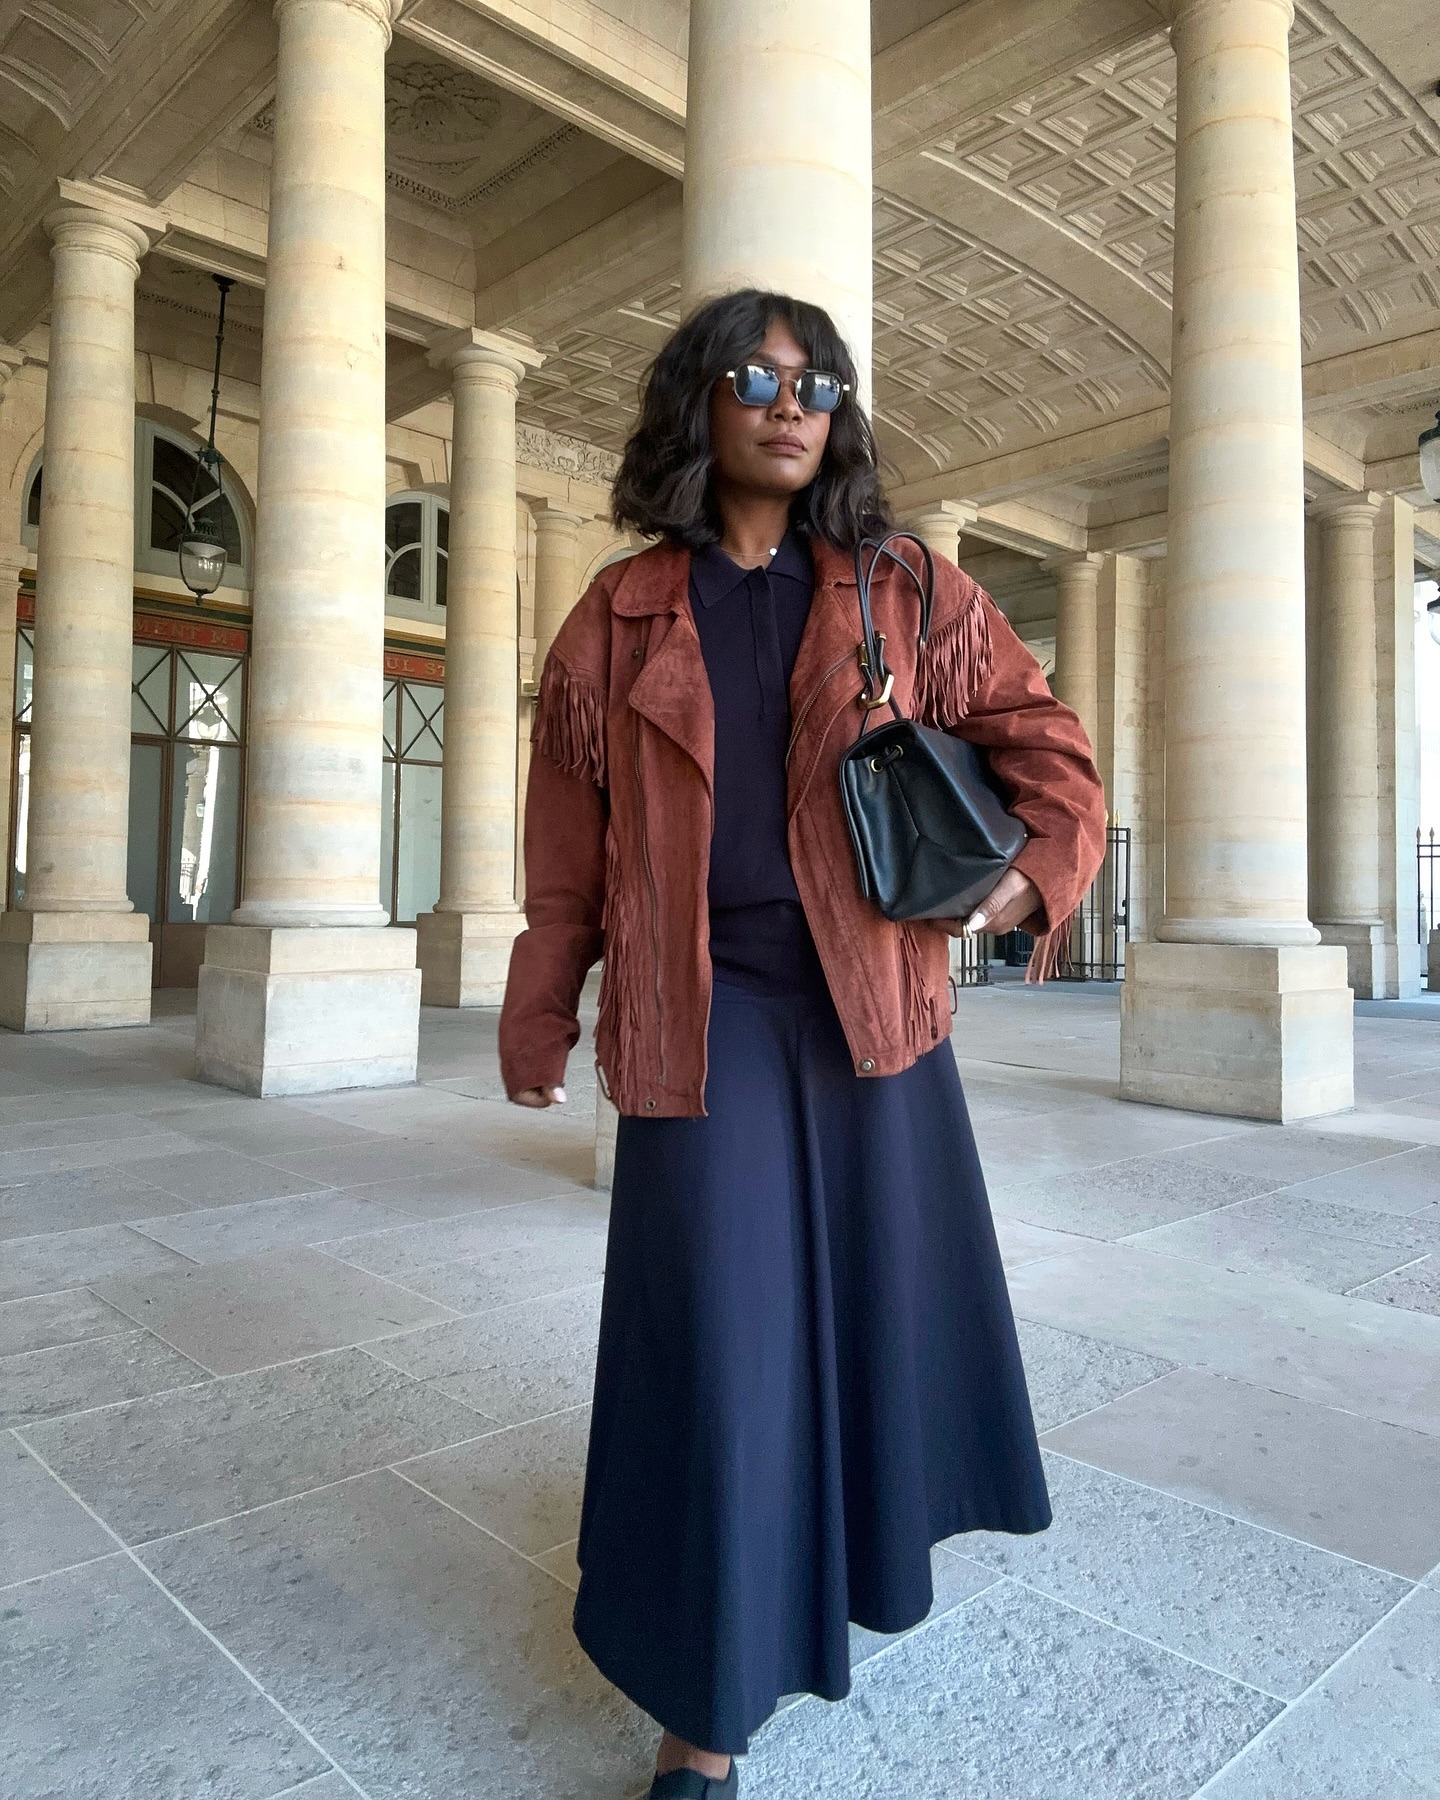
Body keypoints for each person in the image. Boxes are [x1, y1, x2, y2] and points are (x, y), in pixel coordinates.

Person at [499, 289, 1107, 1799]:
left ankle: (833, 1576)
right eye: (755, 376)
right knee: (716, 1344)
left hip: (873, 1004)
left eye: (817, 379)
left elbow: (1045, 738)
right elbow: (569, 835)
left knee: (866, 1319)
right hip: (700, 1014)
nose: (790, 400)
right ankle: (702, 1719)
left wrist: (1032, 879)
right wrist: (539, 993)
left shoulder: (904, 585)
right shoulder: (622, 608)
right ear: (698, 403)